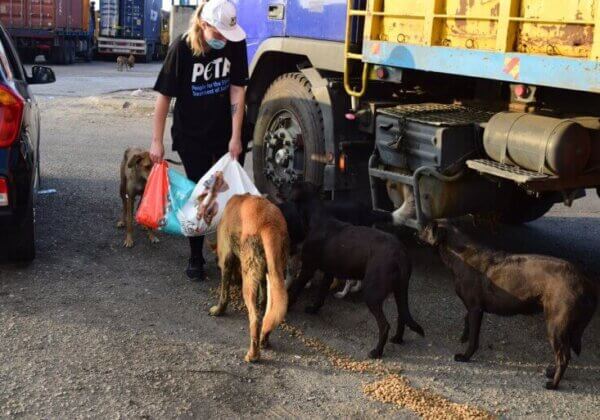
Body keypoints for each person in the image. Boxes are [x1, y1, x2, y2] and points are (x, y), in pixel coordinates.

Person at [150, 0, 248, 281]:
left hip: (223, 132)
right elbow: (164, 97)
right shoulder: (181, 48)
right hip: (191, 134)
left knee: (228, 196)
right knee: (200, 195)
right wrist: (157, 141)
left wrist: (236, 136)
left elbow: (237, 90)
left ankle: (229, 254)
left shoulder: (234, 43)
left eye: (227, 36)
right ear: (204, 25)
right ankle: (195, 256)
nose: (224, 41)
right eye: (218, 35)